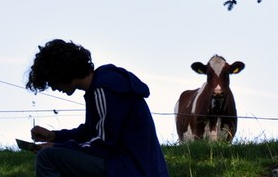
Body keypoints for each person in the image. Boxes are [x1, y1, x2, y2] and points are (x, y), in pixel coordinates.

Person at [25, 39, 170, 177]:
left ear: (62, 73)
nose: (54, 88)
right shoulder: (100, 86)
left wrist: (56, 147)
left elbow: (102, 144)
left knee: (47, 158)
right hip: (131, 166)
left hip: (131, 168)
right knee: (60, 158)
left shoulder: (103, 88)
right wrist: (55, 137)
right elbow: (91, 132)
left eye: (52, 82)